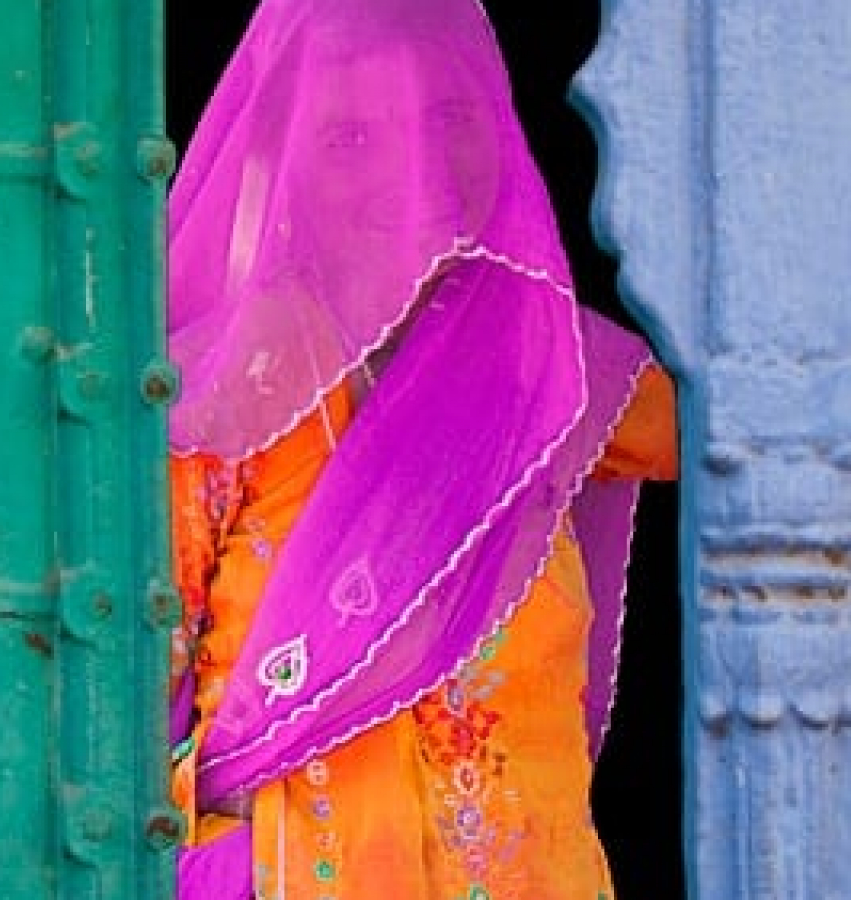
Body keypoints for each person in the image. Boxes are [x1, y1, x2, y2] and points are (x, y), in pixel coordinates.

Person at [165, 1, 678, 898]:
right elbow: (124, 698)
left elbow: (767, 454)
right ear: (277, 161)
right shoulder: (227, 394)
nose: (411, 172)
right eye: (351, 139)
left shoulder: (548, 368)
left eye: (448, 119)